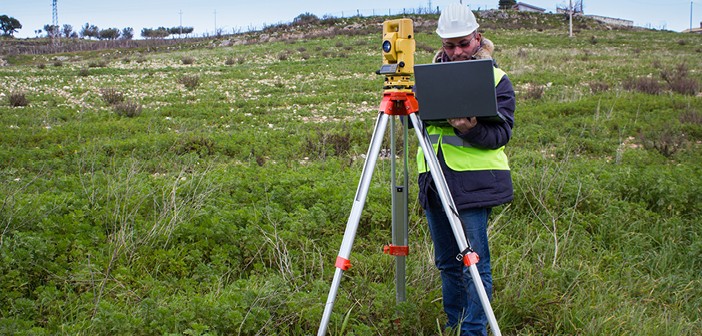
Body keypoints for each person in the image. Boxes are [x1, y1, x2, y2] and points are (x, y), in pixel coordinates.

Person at [416, 3, 516, 336]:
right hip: (434, 181)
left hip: (473, 186)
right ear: (441, 44)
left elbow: (501, 134)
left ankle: (474, 331)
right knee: (447, 263)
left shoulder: (496, 79)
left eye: (464, 43)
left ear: (478, 37)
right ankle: (454, 323)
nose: (457, 51)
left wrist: (469, 129)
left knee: (475, 265)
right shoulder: (425, 78)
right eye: (450, 45)